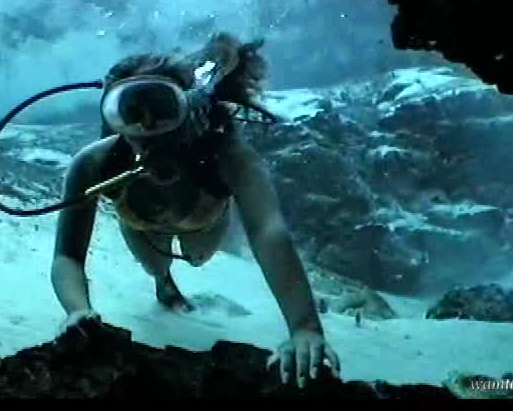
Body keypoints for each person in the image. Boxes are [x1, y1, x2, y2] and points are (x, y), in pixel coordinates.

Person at [50, 32, 340, 387]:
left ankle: (166, 276)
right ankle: (164, 282)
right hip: (144, 226)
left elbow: (268, 232)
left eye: (163, 110)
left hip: (202, 223)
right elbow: (68, 255)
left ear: (189, 109)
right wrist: (78, 311)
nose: (148, 129)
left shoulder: (228, 155)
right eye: (131, 113)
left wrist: (304, 327)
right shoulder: (94, 162)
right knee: (155, 266)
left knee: (198, 256)